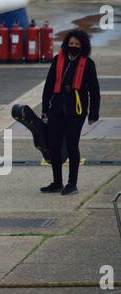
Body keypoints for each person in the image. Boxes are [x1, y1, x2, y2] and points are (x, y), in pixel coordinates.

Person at [41, 30, 100, 195]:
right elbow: (49, 85)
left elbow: (94, 90)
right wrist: (45, 108)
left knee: (72, 145)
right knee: (53, 145)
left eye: (76, 45)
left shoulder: (88, 64)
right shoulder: (57, 60)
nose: (73, 47)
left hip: (76, 109)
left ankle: (72, 183)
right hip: (57, 108)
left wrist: (94, 113)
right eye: (71, 44)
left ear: (82, 46)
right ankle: (57, 182)